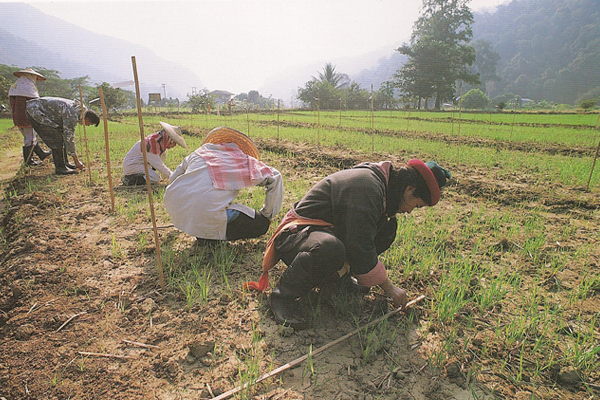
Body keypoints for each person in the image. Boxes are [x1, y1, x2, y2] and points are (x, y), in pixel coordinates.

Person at [245, 158, 451, 329]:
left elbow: (361, 235)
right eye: (417, 205)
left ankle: (336, 280)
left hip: (319, 235)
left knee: (386, 229)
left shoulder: (380, 187)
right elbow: (359, 244)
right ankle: (282, 296)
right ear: (409, 189)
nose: (409, 211)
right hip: (295, 236)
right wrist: (389, 288)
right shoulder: (367, 185)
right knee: (331, 250)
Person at [163, 126, 283, 245]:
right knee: (261, 225)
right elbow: (275, 176)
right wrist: (267, 214)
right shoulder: (241, 160)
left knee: (205, 208)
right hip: (206, 212)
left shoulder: (197, 154)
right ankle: (212, 236)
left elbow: (173, 178)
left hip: (176, 208)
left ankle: (205, 235)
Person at [25, 96, 100, 175]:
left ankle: (65, 163)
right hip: (35, 111)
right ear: (87, 119)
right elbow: (69, 139)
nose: (87, 126)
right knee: (56, 138)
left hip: (36, 107)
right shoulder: (73, 115)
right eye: (90, 124)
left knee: (60, 135)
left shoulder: (80, 110)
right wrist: (76, 161)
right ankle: (60, 168)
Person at [8, 68, 52, 166]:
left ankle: (41, 154)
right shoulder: (28, 88)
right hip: (27, 117)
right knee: (30, 139)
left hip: (17, 116)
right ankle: (29, 161)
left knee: (29, 137)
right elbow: (36, 104)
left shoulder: (15, 87)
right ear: (30, 76)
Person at [121, 121, 187, 186]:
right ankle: (129, 179)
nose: (174, 145)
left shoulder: (157, 142)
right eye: (174, 142)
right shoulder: (151, 145)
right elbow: (159, 165)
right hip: (133, 166)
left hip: (141, 164)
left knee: (163, 155)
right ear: (169, 139)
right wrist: (173, 177)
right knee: (155, 178)